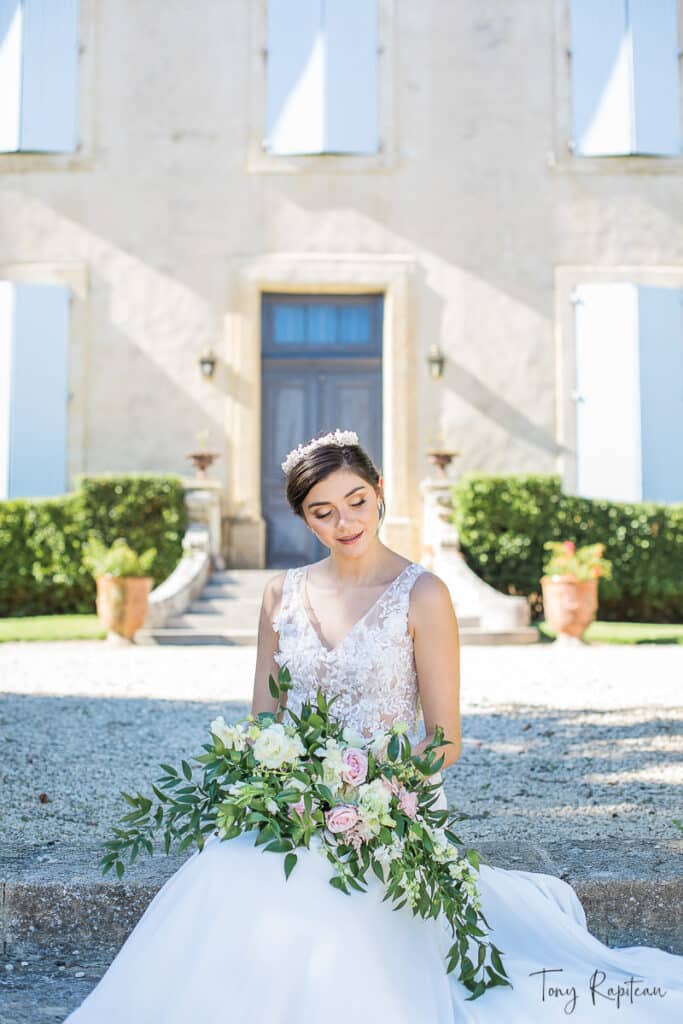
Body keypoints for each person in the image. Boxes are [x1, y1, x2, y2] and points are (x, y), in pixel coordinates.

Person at [64, 430, 683, 1023]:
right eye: (322, 511)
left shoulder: (424, 595)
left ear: (380, 490)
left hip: (392, 804)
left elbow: (445, 738)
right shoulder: (280, 595)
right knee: (228, 875)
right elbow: (263, 720)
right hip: (291, 803)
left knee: (341, 904)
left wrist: (375, 795)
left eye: (356, 501)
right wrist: (281, 790)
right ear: (304, 519)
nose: (345, 523)